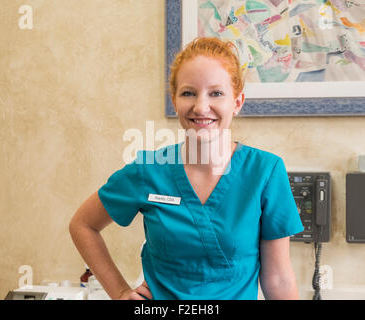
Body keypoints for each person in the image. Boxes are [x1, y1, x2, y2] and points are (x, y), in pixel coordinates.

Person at [69, 37, 304, 300]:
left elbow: (279, 279)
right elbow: (83, 225)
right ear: (174, 100)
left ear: (237, 103)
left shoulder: (265, 172)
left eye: (216, 93)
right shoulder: (148, 170)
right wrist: (121, 292)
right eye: (188, 93)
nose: (201, 106)